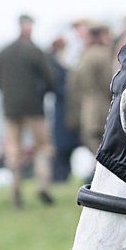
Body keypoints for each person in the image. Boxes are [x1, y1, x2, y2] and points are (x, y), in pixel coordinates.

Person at [0, 13, 56, 207]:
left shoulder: (4, 52)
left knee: (13, 150)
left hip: (10, 108)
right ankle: (42, 186)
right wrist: (42, 93)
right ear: (30, 27)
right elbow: (51, 79)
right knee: (42, 147)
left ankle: (15, 191)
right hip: (34, 107)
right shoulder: (35, 50)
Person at [66, 23, 113, 179]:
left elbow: (74, 85)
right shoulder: (103, 54)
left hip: (86, 110)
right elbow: (111, 82)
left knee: (94, 145)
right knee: (106, 150)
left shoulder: (83, 55)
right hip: (102, 107)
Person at [47, 36, 80, 182]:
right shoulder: (56, 66)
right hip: (62, 109)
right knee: (62, 146)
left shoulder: (60, 64)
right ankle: (59, 177)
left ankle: (63, 176)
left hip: (67, 109)